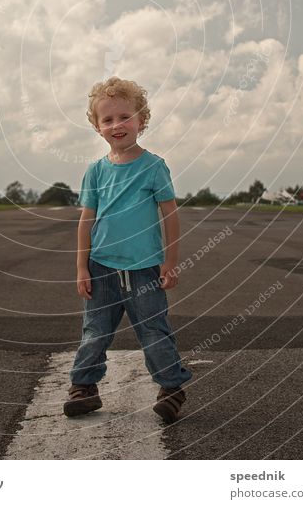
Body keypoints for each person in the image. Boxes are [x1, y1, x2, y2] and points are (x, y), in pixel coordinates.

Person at [63, 76, 192, 424]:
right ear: (97, 127)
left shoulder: (153, 167)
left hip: (145, 268)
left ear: (141, 120)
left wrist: (170, 262)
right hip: (101, 267)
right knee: (95, 331)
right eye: (108, 119)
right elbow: (86, 221)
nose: (117, 125)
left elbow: (170, 215)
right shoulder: (95, 172)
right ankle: (84, 387)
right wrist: (81, 268)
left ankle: (171, 388)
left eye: (125, 117)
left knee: (153, 331)